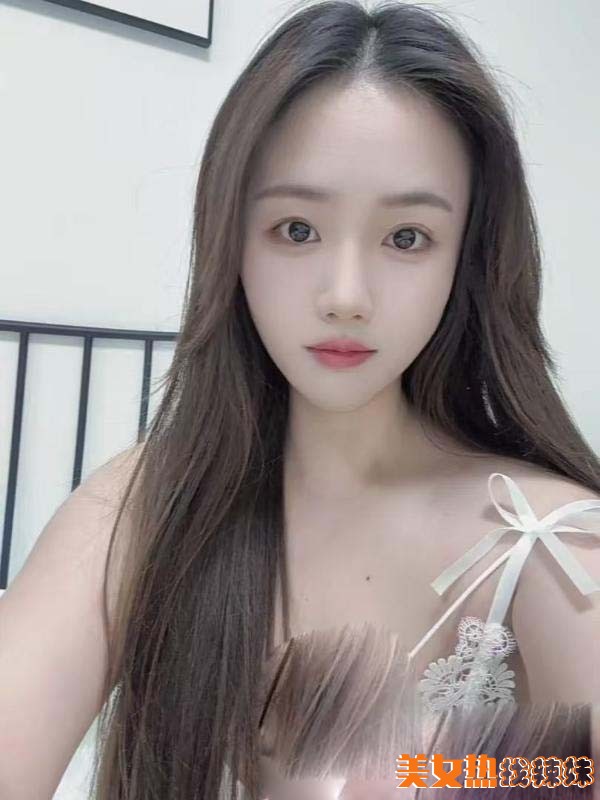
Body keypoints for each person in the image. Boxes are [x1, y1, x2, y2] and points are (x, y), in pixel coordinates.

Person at [0, 1, 599, 798]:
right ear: (230, 240)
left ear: (467, 259)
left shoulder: (544, 543)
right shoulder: (141, 510)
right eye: (296, 230)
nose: (345, 296)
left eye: (407, 238)